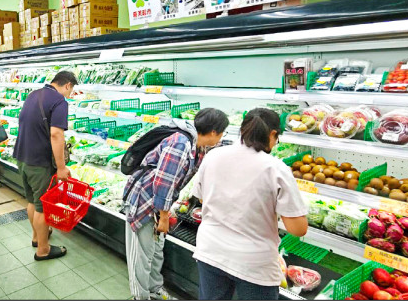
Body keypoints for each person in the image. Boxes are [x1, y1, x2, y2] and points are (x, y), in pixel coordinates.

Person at [192, 108, 308, 300]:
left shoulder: (213, 155)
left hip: (210, 250)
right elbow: (298, 229)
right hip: (254, 263)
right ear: (272, 134)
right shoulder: (276, 168)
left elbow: (204, 199)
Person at [124, 108, 228, 301]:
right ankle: (140, 296)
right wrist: (164, 217)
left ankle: (154, 290)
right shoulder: (180, 144)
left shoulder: (197, 145)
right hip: (144, 201)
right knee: (141, 255)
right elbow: (163, 182)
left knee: (155, 252)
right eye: (223, 133)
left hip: (158, 204)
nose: (222, 138)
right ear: (213, 132)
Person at [13, 71, 77, 261]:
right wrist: (61, 167)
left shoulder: (33, 94)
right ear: (67, 85)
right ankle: (43, 250)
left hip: (22, 156)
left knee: (32, 201)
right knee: (43, 208)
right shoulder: (59, 102)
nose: (70, 94)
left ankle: (36, 237)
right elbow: (56, 134)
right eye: (71, 90)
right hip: (39, 162)